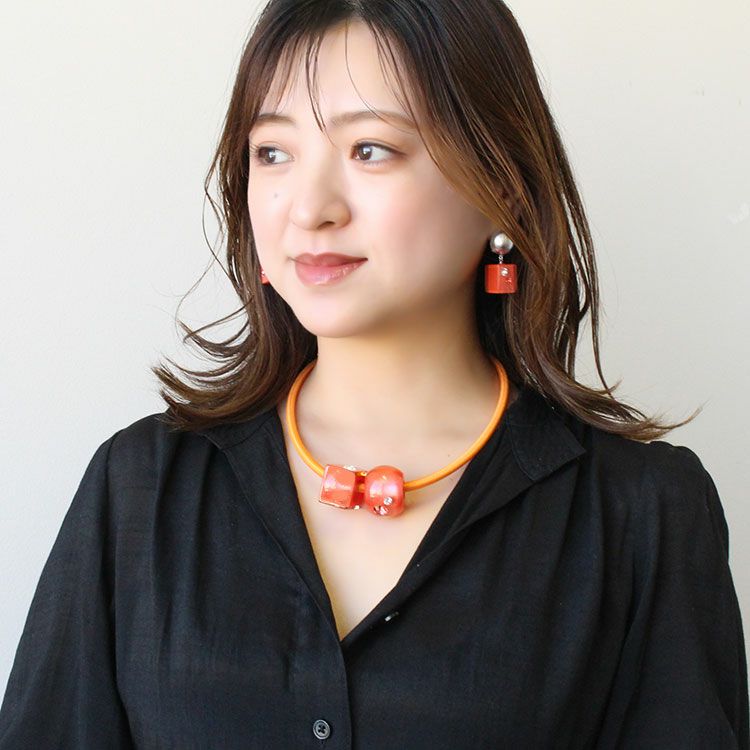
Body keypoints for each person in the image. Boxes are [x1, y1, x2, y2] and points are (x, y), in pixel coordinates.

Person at [1, 1, 747, 747]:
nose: (309, 209)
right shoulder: (139, 489)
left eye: (371, 149)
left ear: (501, 187)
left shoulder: (641, 512)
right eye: (273, 152)